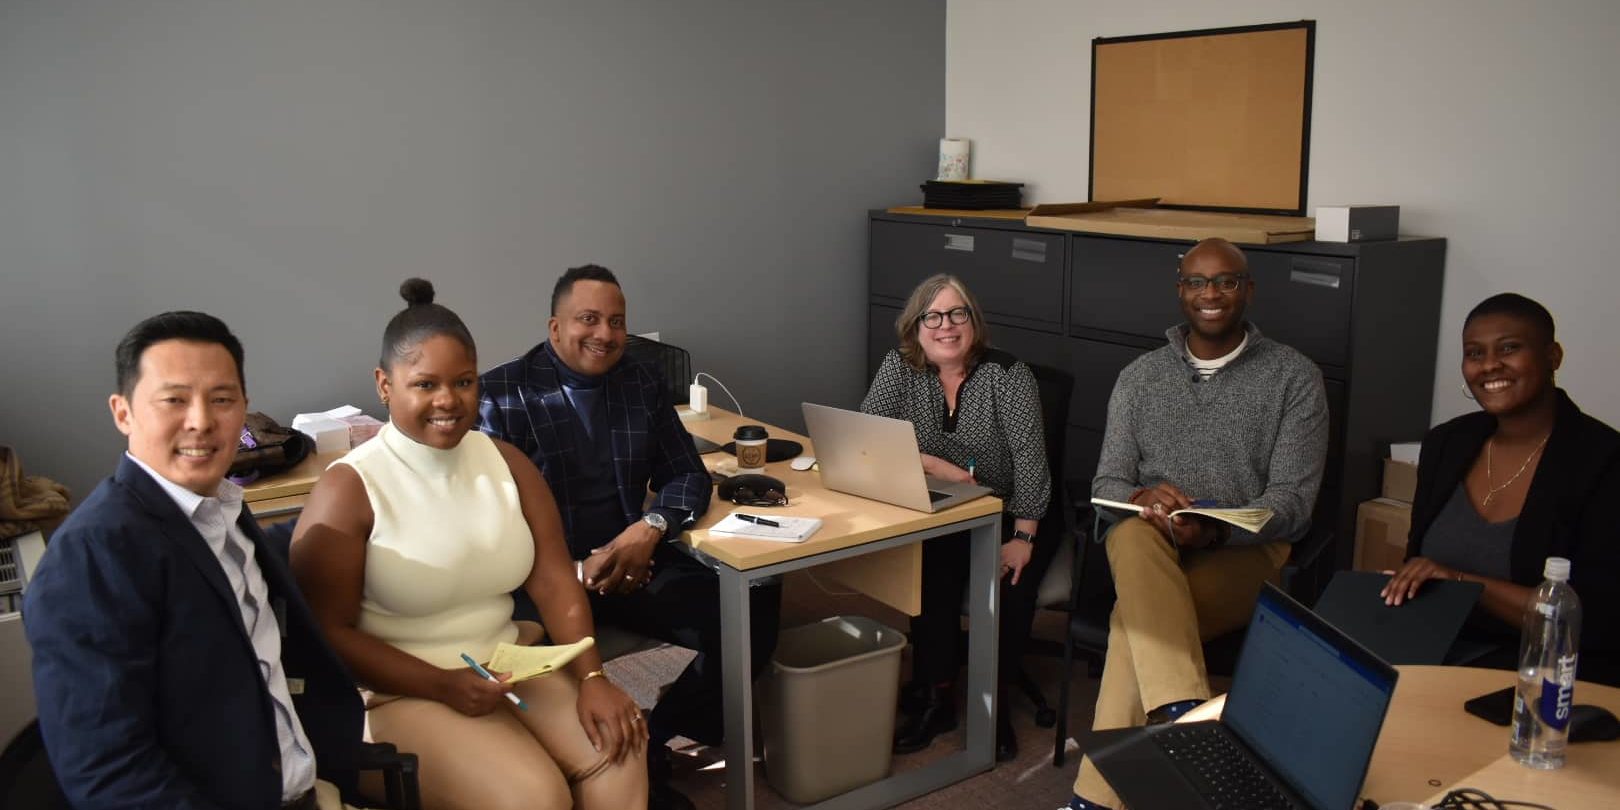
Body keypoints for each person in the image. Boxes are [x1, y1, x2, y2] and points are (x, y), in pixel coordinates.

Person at [290, 279, 647, 810]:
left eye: (463, 382)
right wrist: (442, 685)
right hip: (399, 691)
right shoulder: (350, 489)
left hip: (508, 665)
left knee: (621, 748)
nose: (448, 401)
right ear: (385, 385)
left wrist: (593, 675)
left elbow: (552, 580)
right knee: (533, 797)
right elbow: (328, 632)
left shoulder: (506, 462)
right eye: (425, 384)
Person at [24, 311, 365, 810]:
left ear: (245, 408)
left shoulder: (218, 509)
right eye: (174, 400)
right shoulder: (93, 557)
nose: (201, 420)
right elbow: (108, 774)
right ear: (123, 413)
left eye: (222, 400)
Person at [478, 264, 778, 810]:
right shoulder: (502, 394)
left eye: (616, 321)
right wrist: (568, 571)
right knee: (517, 682)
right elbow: (488, 522)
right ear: (554, 327)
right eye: (588, 319)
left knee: (752, 599)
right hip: (541, 582)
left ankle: (655, 734)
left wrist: (650, 527)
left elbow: (687, 474)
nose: (605, 334)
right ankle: (607, 765)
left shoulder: (639, 382)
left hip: (631, 566)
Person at [1068, 238, 1329, 810]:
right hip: (1148, 548)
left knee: (1130, 625)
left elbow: (1293, 502)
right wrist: (1141, 496)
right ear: (1180, 291)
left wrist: (1214, 529)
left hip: (1244, 558)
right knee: (1134, 530)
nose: (1210, 294)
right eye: (1196, 282)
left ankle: (1095, 797)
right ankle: (1184, 713)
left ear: (1247, 290)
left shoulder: (1294, 378)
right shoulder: (1140, 377)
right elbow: (1104, 486)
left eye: (1226, 281)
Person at [860, 273, 1053, 762]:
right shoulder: (900, 367)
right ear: (916, 325)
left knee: (1009, 588)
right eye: (933, 316)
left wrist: (1024, 536)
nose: (946, 326)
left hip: (1013, 511)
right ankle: (937, 697)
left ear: (973, 321)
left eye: (957, 313)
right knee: (931, 579)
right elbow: (869, 438)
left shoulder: (1008, 376)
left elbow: (1032, 465)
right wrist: (933, 465)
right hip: (942, 509)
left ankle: (997, 705)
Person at [1381, 293, 1620, 685]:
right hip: (1433, 649)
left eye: (1509, 348)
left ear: (1552, 356)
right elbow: (1419, 563)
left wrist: (1459, 581)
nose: (1489, 365)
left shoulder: (1603, 462)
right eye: (1474, 353)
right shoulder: (1447, 443)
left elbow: (1594, 620)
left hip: (1543, 673)